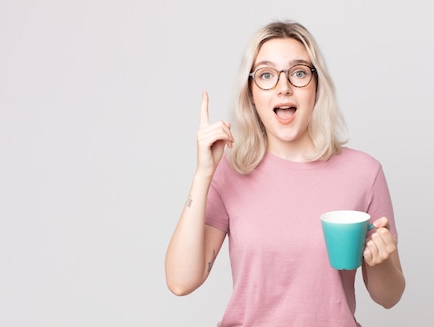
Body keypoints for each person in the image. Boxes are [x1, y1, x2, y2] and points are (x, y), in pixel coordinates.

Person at [165, 20, 405, 326]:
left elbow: (390, 297)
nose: (283, 87)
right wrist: (202, 175)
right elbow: (181, 281)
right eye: (266, 75)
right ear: (251, 93)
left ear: (316, 87)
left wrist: (382, 261)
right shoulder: (230, 172)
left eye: (299, 73)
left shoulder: (364, 173)